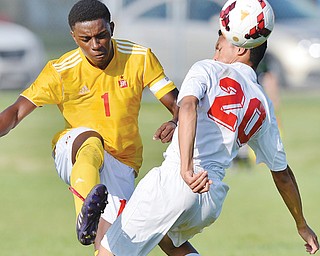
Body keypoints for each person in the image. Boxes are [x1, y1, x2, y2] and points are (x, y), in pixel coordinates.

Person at [97, 28, 319, 256]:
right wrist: (301, 224)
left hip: (180, 180)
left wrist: (186, 170)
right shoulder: (263, 103)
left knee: (108, 251)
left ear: (240, 47)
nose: (216, 49)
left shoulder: (207, 68)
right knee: (169, 241)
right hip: (210, 198)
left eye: (219, 45)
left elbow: (188, 105)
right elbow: (282, 174)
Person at [0, 0, 179, 253]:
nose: (95, 45)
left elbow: (178, 105)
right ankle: (85, 211)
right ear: (74, 37)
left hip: (123, 164)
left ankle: (94, 221)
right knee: (90, 138)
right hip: (73, 153)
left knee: (111, 247)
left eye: (101, 36)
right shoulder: (61, 71)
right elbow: (16, 111)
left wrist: (174, 120)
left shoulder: (139, 58)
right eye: (86, 39)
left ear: (112, 28)